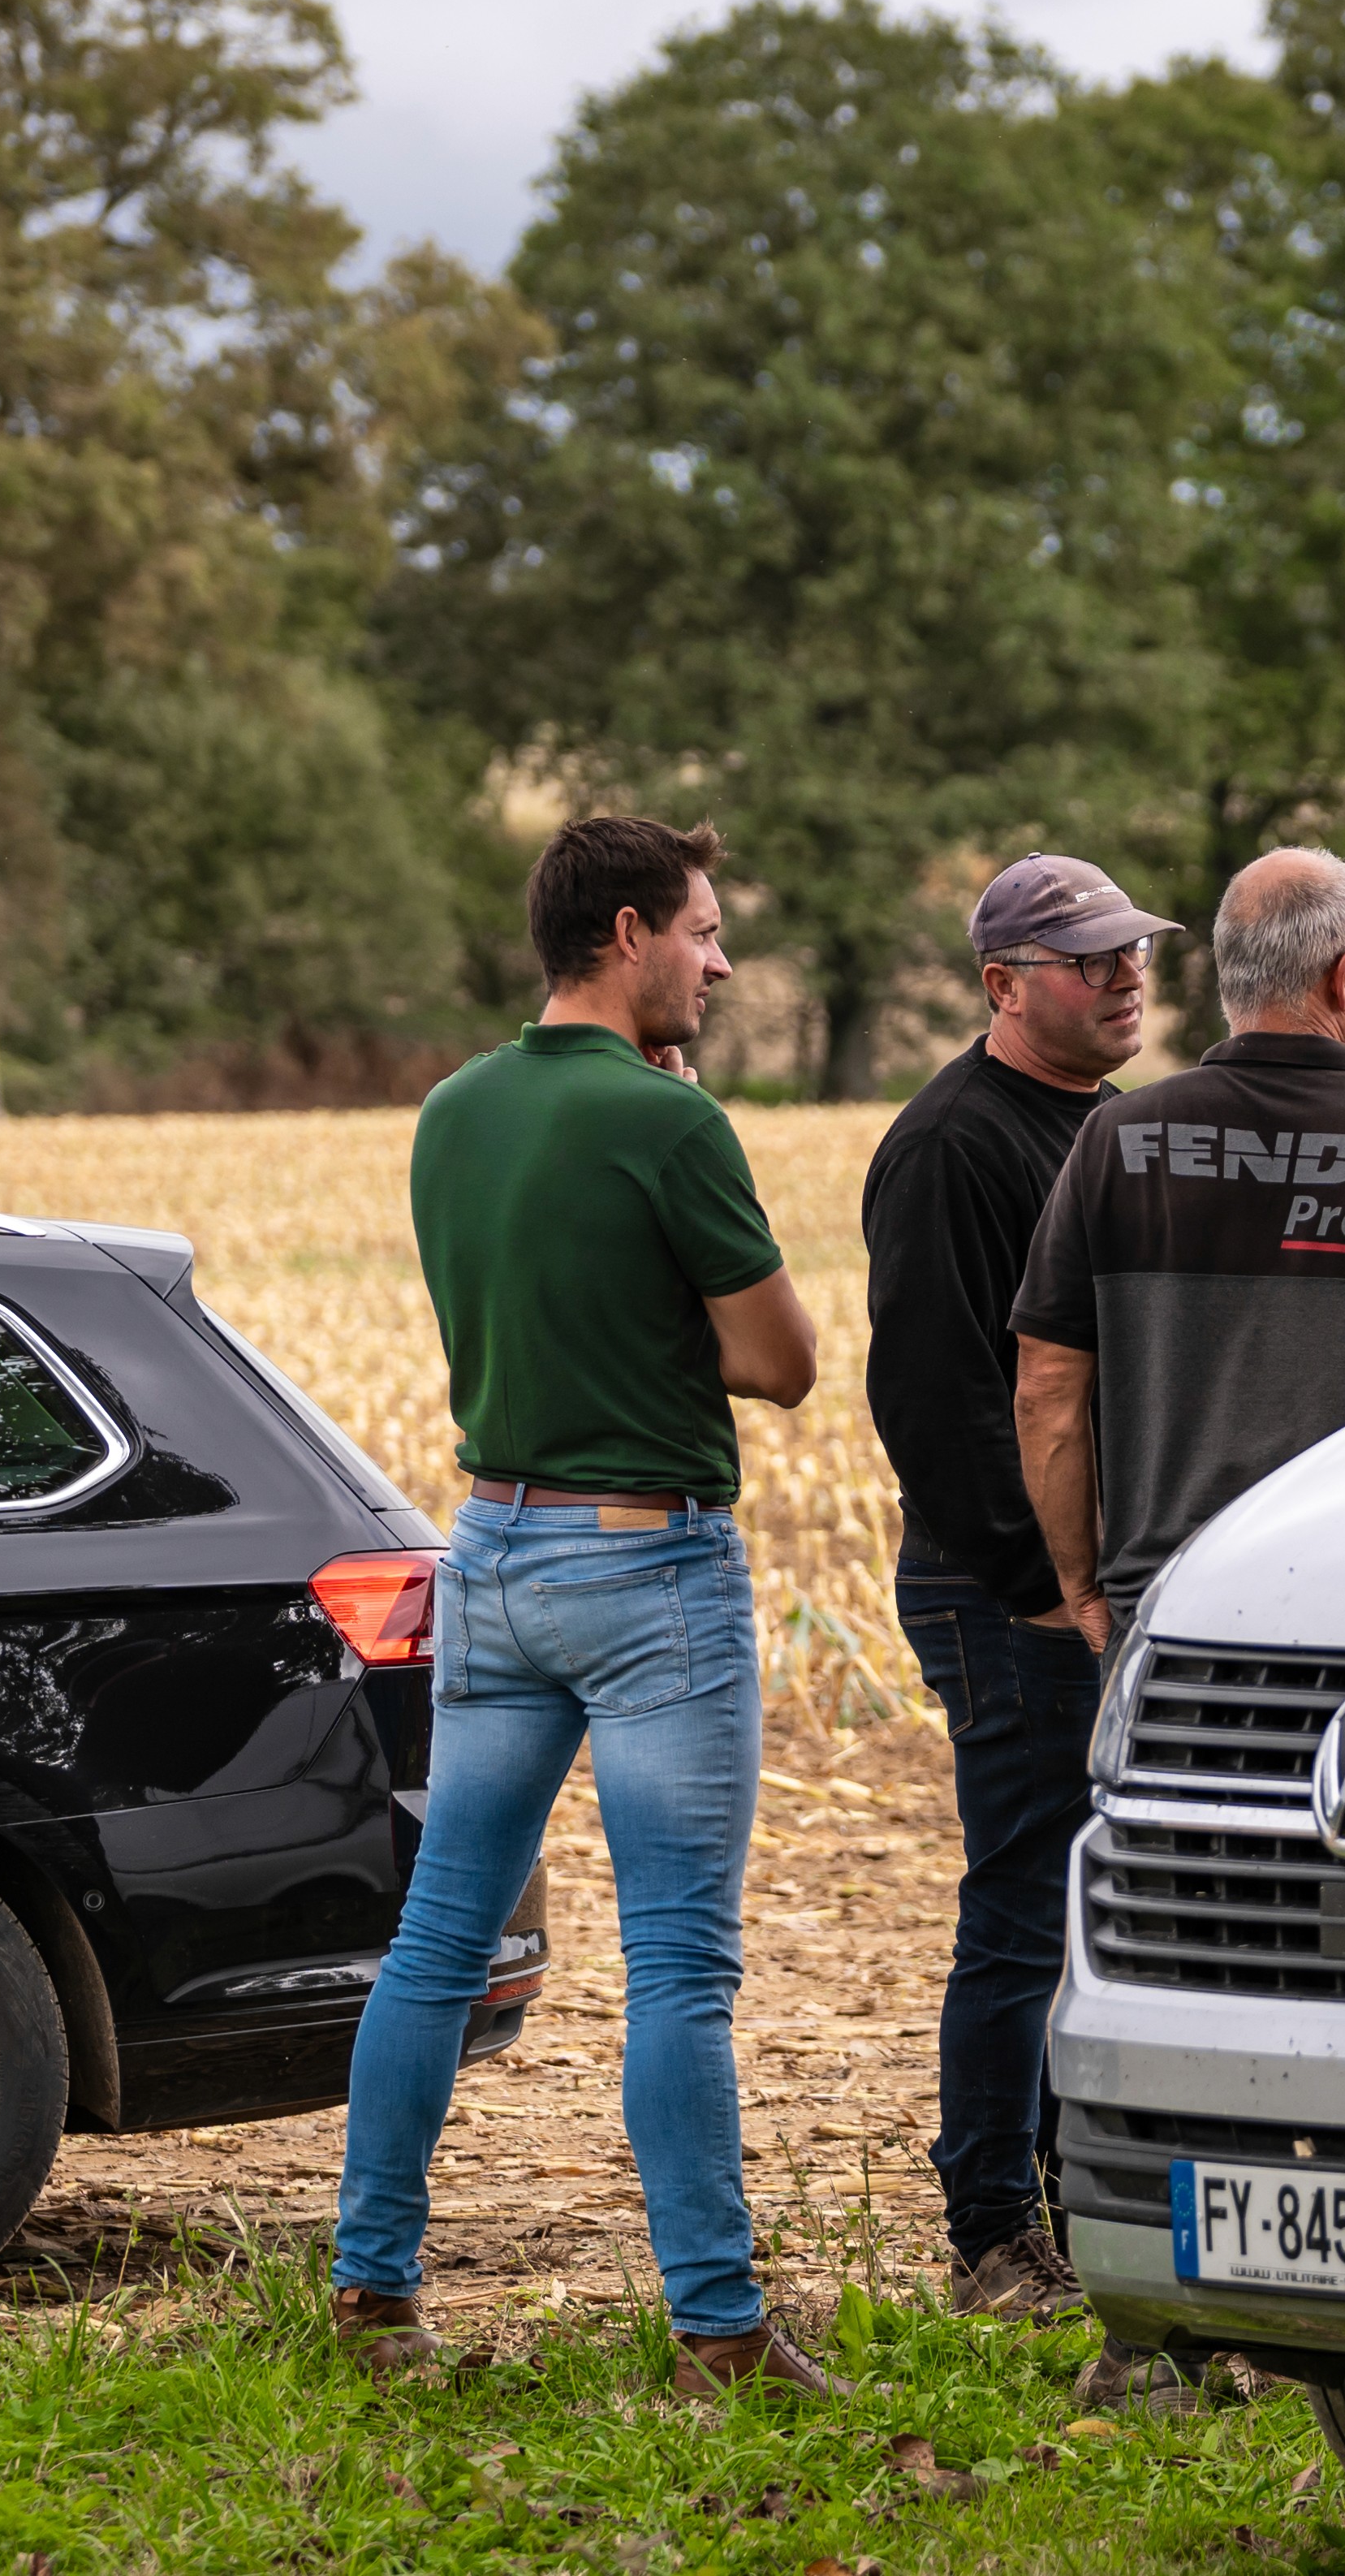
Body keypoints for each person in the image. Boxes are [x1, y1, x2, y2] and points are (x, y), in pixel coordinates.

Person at [332, 814, 830, 2396]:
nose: (723, 959)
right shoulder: (674, 1127)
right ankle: (718, 2327)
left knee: (434, 1943)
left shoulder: (450, 1112)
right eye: (703, 929)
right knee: (682, 1967)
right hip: (648, 1569)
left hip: (490, 1550)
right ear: (626, 933)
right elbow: (785, 1363)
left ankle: (373, 2293)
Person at [857, 852, 1177, 2321]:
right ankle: (993, 2226)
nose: (1125, 976)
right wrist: (1041, 1580)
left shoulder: (1105, 1128)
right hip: (1009, 1586)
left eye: (1133, 953)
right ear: (1003, 984)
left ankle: (1080, 2195)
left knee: (1087, 1902)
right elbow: (934, 1397)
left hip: (1099, 1581)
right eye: (1089, 957)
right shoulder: (953, 1146)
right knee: (1021, 1904)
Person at [1013, 847, 1345, 1654]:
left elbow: (1045, 1390)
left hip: (1165, 1602)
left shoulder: (1116, 1138)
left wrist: (1083, 1583)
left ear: (1234, 978)